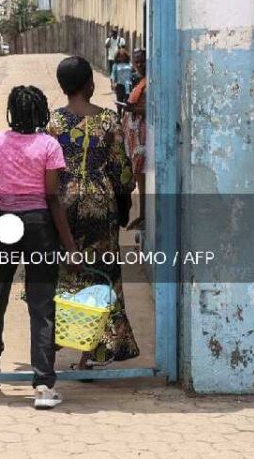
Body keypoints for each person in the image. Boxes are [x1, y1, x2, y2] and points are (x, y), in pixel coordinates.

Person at [0, 86, 79, 409]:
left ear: (11, 111)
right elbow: (52, 197)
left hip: (6, 220)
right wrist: (70, 244)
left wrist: (7, 208)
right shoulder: (49, 146)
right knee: (41, 302)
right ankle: (44, 387)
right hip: (39, 226)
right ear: (41, 111)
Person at [47, 56, 140, 369]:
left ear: (62, 87)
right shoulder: (109, 121)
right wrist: (124, 207)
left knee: (65, 273)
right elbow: (121, 171)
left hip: (62, 205)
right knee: (103, 276)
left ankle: (57, 338)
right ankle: (90, 354)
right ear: (91, 84)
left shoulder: (53, 123)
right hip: (100, 205)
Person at [123, 49, 148, 230]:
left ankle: (143, 215)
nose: (139, 65)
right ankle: (142, 215)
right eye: (136, 62)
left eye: (142, 61)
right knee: (139, 178)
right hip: (135, 138)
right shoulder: (139, 81)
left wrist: (134, 110)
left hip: (142, 139)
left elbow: (151, 109)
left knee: (141, 176)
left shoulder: (149, 83)